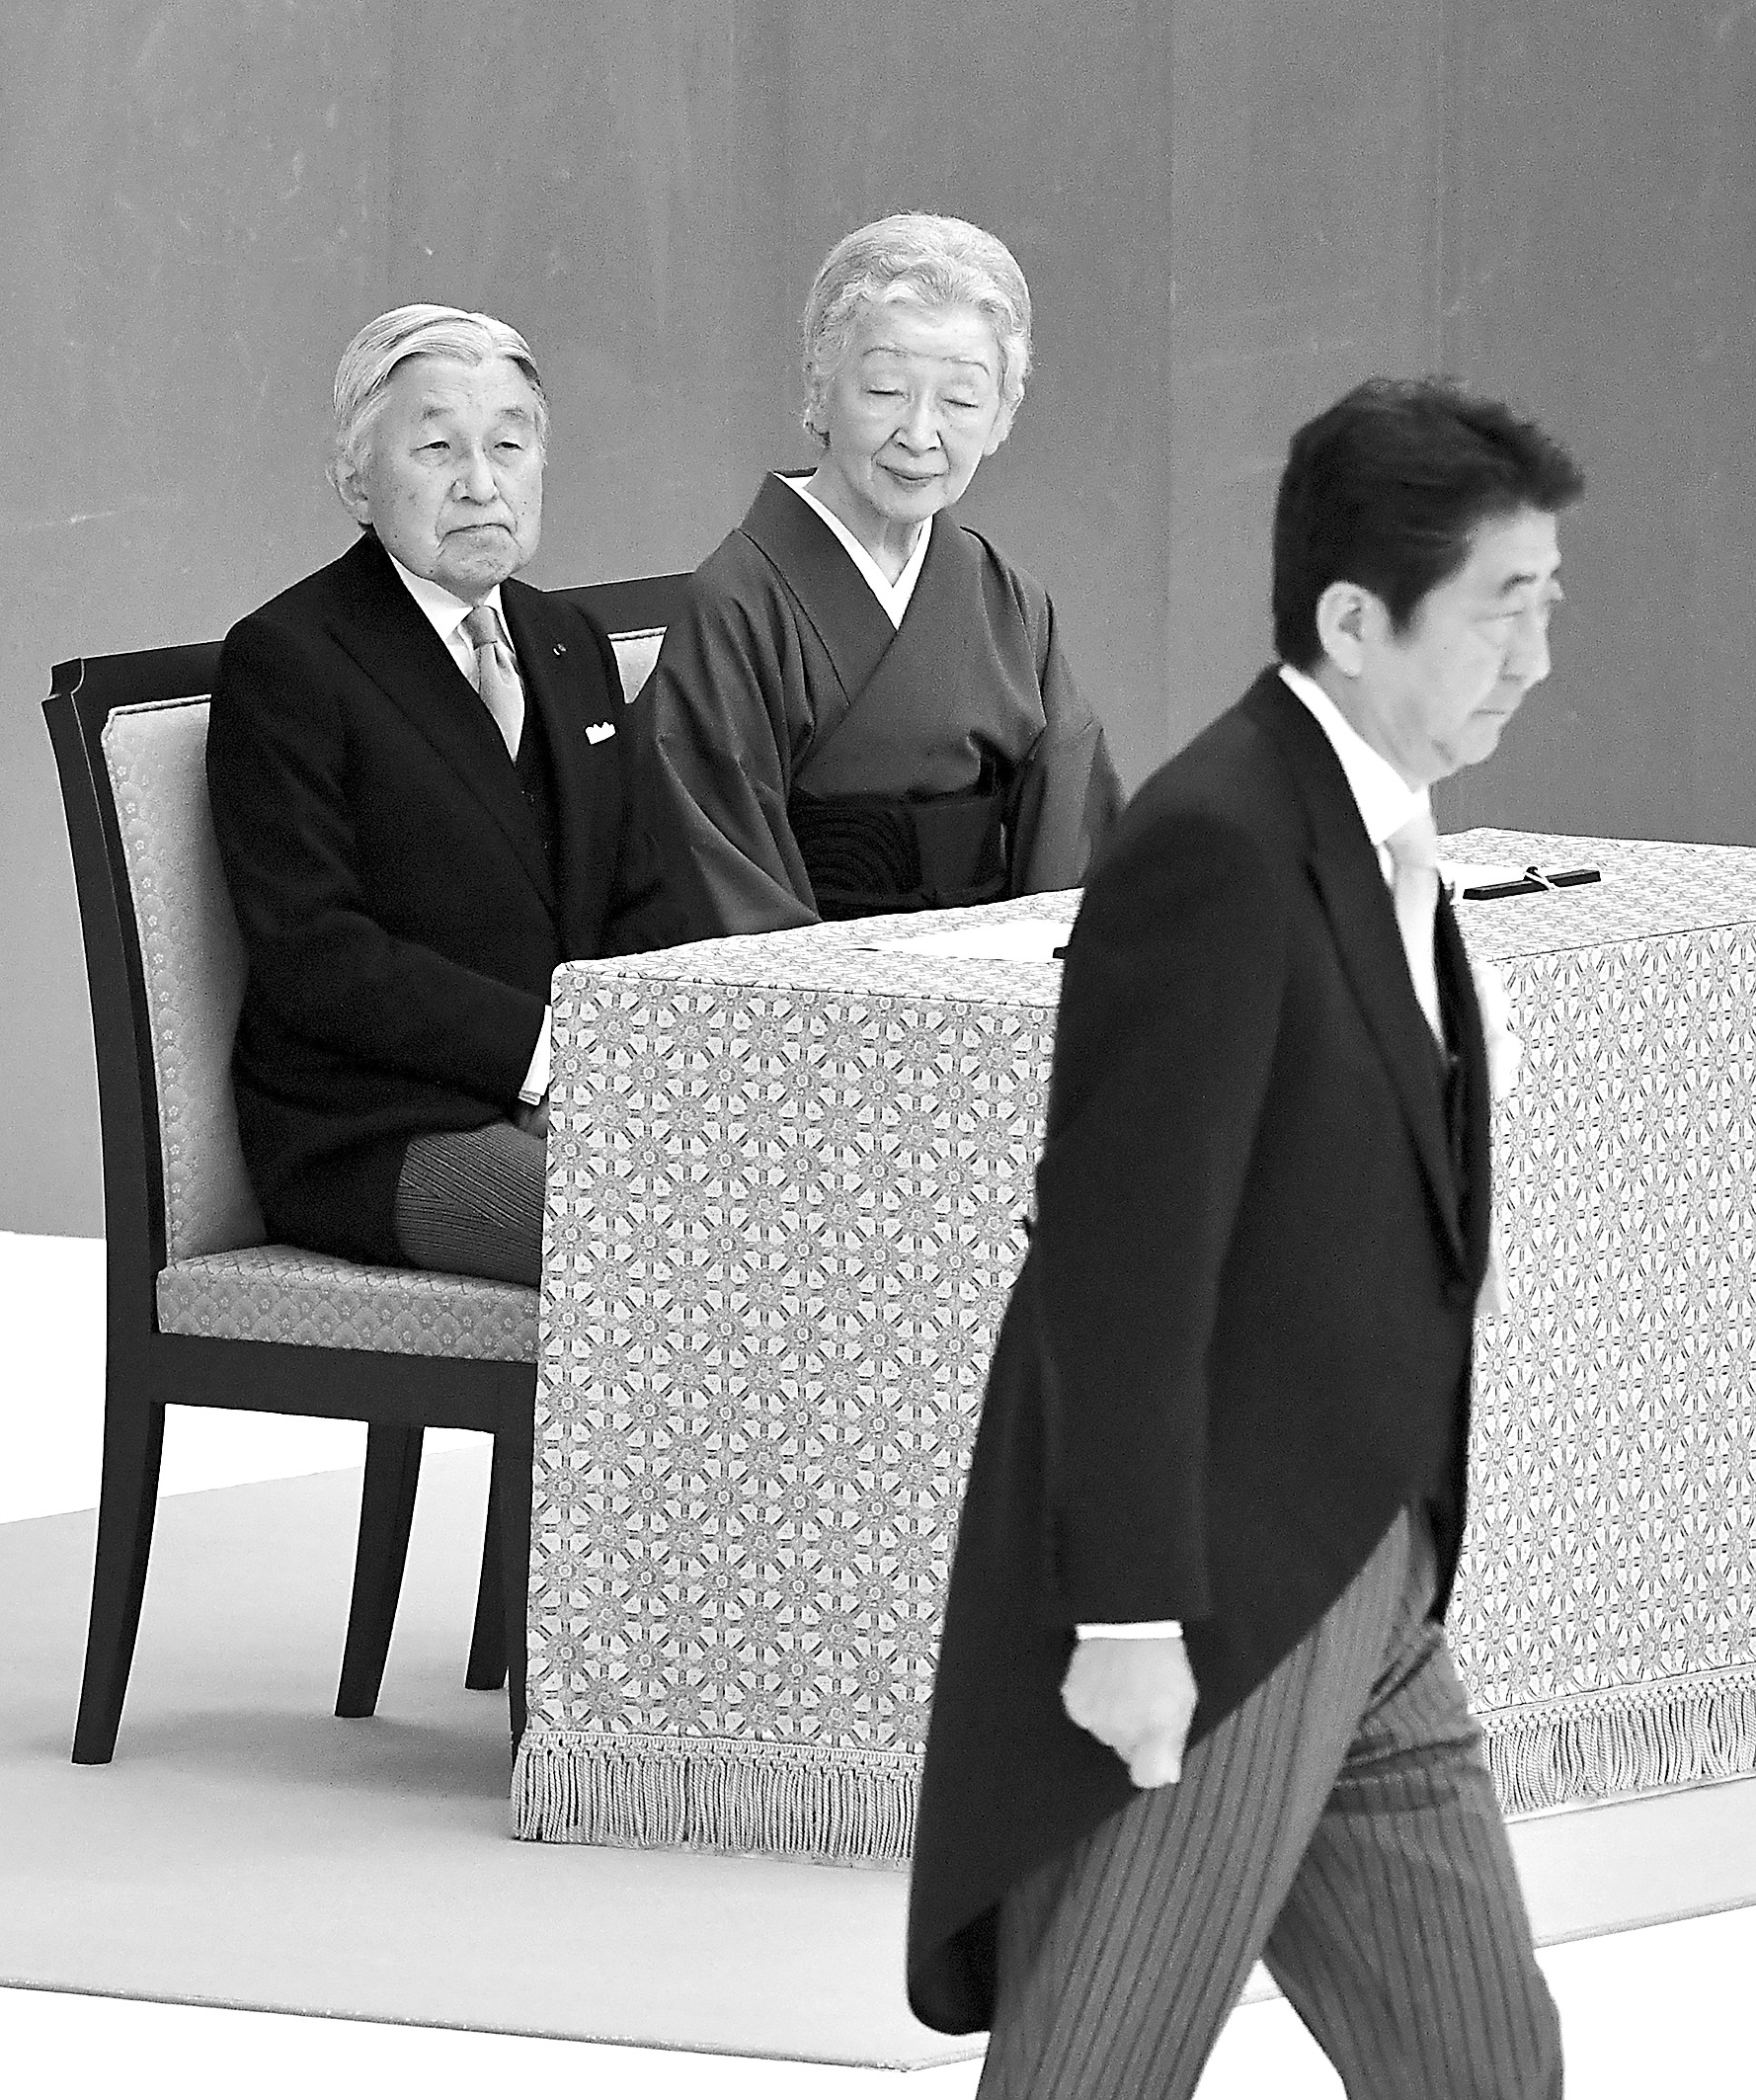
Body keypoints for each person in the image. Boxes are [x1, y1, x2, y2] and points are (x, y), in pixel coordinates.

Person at [907, 376, 1586, 2097]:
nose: (1532, 658)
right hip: (1219, 1603)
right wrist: (1132, 1619)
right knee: (1094, 2073)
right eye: (1498, 610)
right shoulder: (1215, 844)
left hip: (1369, 1565)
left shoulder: (1370, 827)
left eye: (1544, 604)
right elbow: (1120, 1262)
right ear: (1353, 622)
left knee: (1484, 2065)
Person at [206, 304, 673, 1289]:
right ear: (355, 481)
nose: (481, 483)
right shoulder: (289, 659)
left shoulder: (570, 642)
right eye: (437, 448)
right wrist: (544, 1060)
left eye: (508, 444)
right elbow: (315, 952)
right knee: (656, 1234)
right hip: (381, 1127)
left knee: (815, 1196)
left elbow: (639, 896)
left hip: (575, 1094)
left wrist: (614, 1068)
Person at [635, 212, 1122, 936]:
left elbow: (1070, 841)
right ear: (819, 387)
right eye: (887, 390)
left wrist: (1039, 971)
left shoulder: (1011, 602)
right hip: (811, 988)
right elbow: (718, 866)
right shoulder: (737, 603)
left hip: (994, 981)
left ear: (1002, 417)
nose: (920, 435)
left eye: (960, 401)